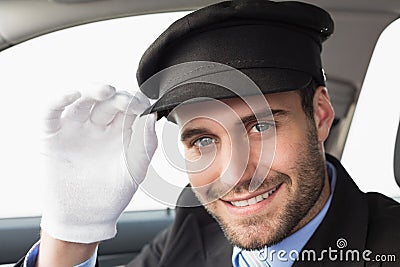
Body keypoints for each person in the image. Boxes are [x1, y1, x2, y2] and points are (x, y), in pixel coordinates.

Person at [15, 0, 400, 266]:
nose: (236, 173)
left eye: (260, 126)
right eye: (204, 139)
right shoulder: (197, 223)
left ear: (320, 115)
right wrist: (72, 236)